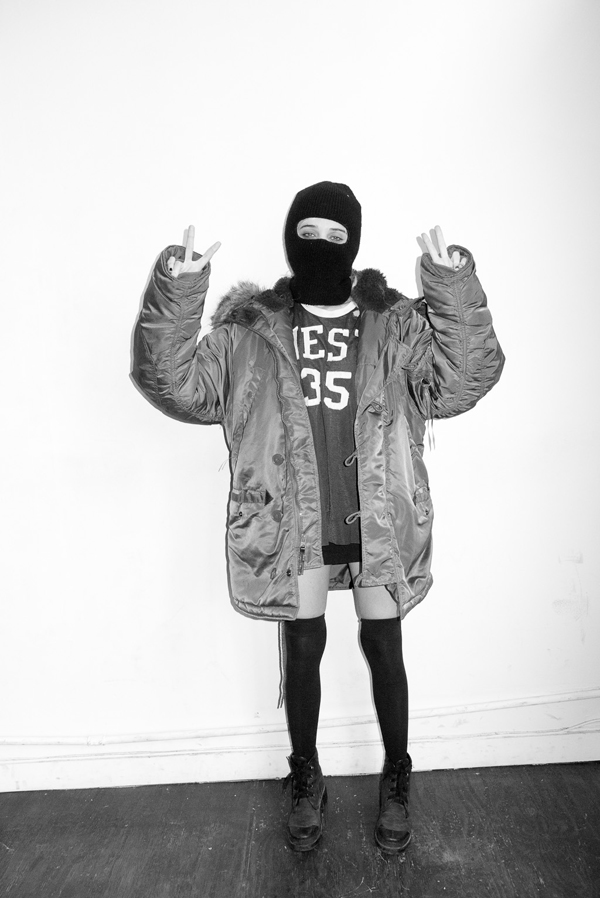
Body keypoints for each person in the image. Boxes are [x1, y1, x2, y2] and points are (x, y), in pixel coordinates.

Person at [131, 181, 504, 854]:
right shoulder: (250, 331)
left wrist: (452, 287)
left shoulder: (395, 324)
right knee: (302, 645)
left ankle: (397, 774)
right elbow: (173, 385)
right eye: (310, 233)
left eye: (337, 236)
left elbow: (465, 378)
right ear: (289, 237)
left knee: (384, 646)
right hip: (291, 516)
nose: (322, 247)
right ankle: (306, 775)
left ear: (355, 243)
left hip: (376, 514)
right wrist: (178, 292)